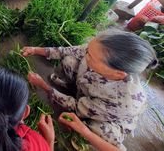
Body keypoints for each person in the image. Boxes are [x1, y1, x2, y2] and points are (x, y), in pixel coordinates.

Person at [21, 30, 158, 151]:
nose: (86, 55)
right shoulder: (101, 50)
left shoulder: (123, 101)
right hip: (90, 91)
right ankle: (72, 89)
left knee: (101, 131)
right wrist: (35, 50)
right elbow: (68, 51)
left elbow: (77, 106)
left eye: (90, 57)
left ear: (118, 74)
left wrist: (43, 85)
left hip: (105, 115)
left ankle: (82, 138)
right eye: (88, 51)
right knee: (69, 61)